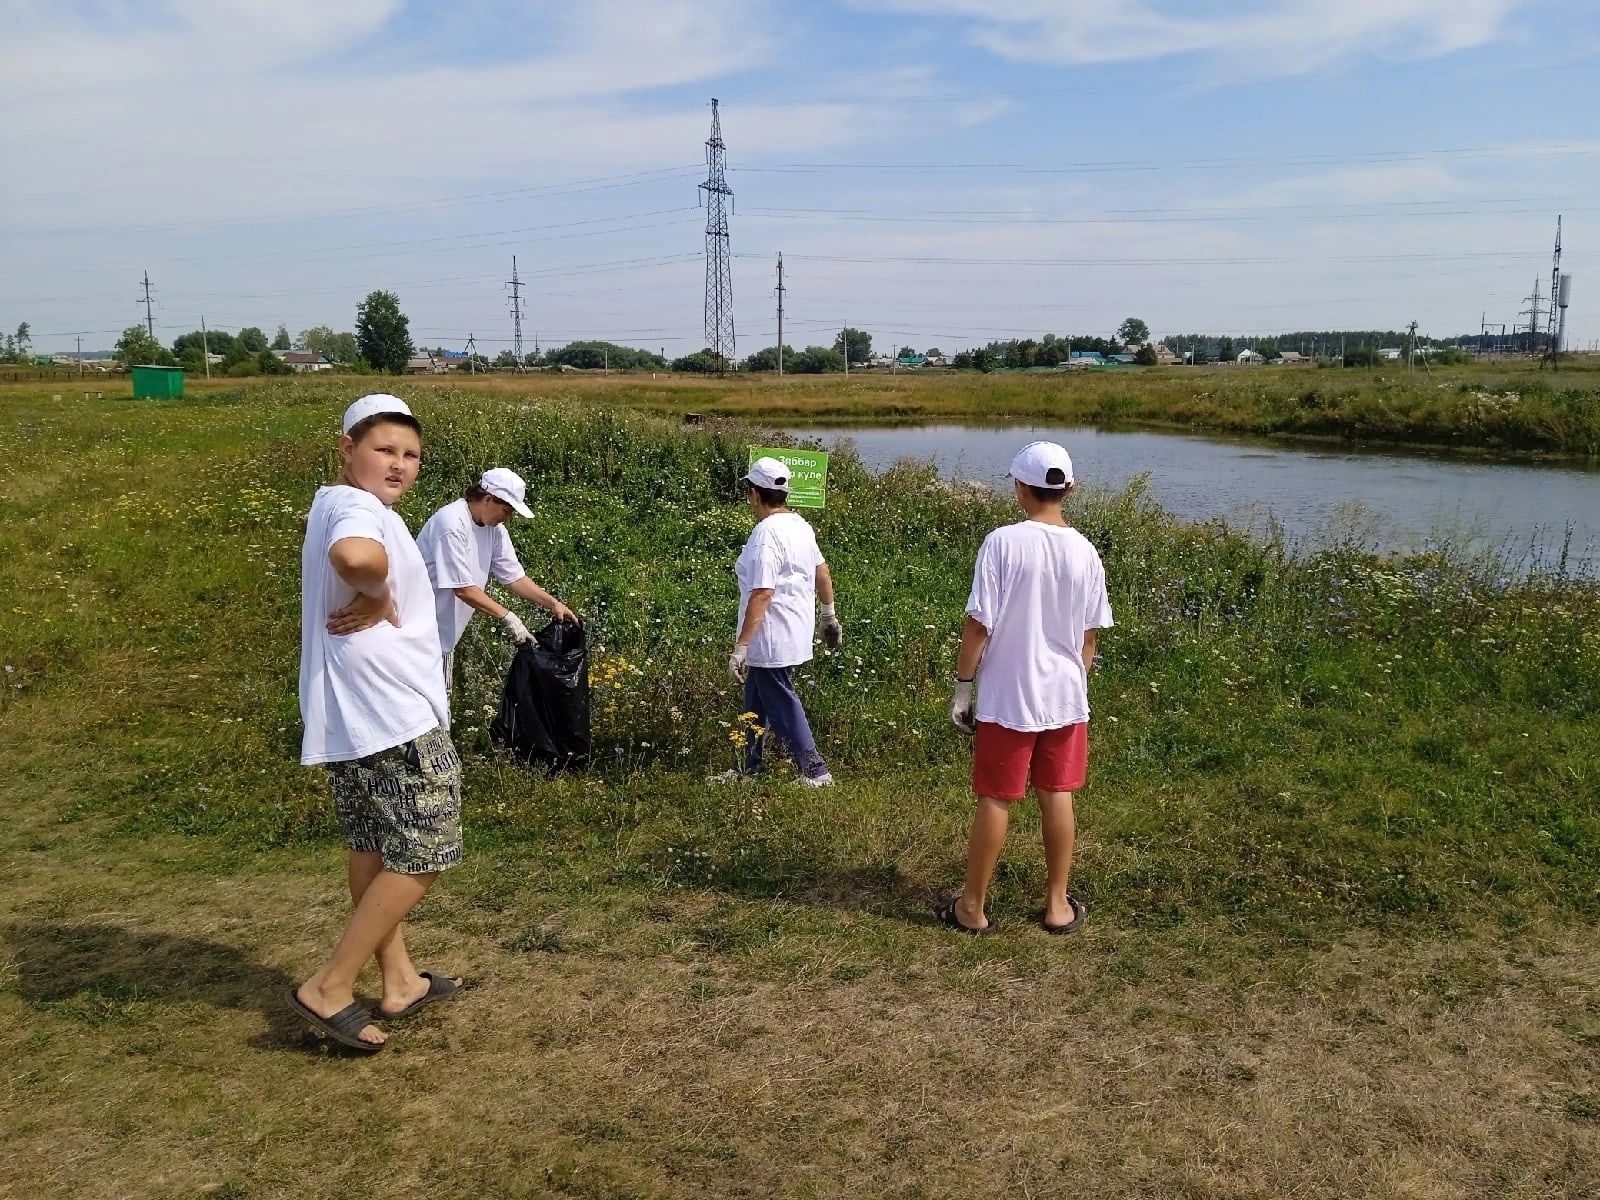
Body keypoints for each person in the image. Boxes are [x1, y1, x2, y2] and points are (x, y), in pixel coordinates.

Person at [289, 394, 464, 1054]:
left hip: (350, 713)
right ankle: (331, 985)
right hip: (392, 713)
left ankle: (399, 981)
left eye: (411, 454)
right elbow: (358, 560)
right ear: (348, 449)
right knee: (428, 848)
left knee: (373, 846)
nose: (398, 464)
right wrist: (380, 591)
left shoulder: (338, 503)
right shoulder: (354, 507)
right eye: (383, 449)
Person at [941, 440, 1113, 935]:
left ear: (1019, 487)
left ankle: (972, 907)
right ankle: (1057, 905)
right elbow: (1089, 637)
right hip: (1065, 695)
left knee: (996, 798)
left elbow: (979, 626)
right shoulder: (1085, 551)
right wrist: (1074, 683)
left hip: (1008, 696)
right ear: (1069, 489)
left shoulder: (1001, 542)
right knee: (1058, 794)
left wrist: (962, 689)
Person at [721, 456, 844, 787]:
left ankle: (815, 771)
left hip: (770, 634)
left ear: (754, 494)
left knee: (780, 700)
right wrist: (828, 614)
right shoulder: (800, 525)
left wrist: (741, 646)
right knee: (756, 698)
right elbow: (822, 571)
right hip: (793, 629)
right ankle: (747, 768)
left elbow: (762, 592)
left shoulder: (766, 533)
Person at [416, 467, 576, 692]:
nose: (508, 518)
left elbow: (515, 577)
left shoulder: (495, 530)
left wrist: (553, 604)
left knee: (438, 710)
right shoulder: (452, 523)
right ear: (488, 499)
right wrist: (508, 617)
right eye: (507, 510)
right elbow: (463, 589)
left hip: (442, 639)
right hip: (417, 635)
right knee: (422, 714)